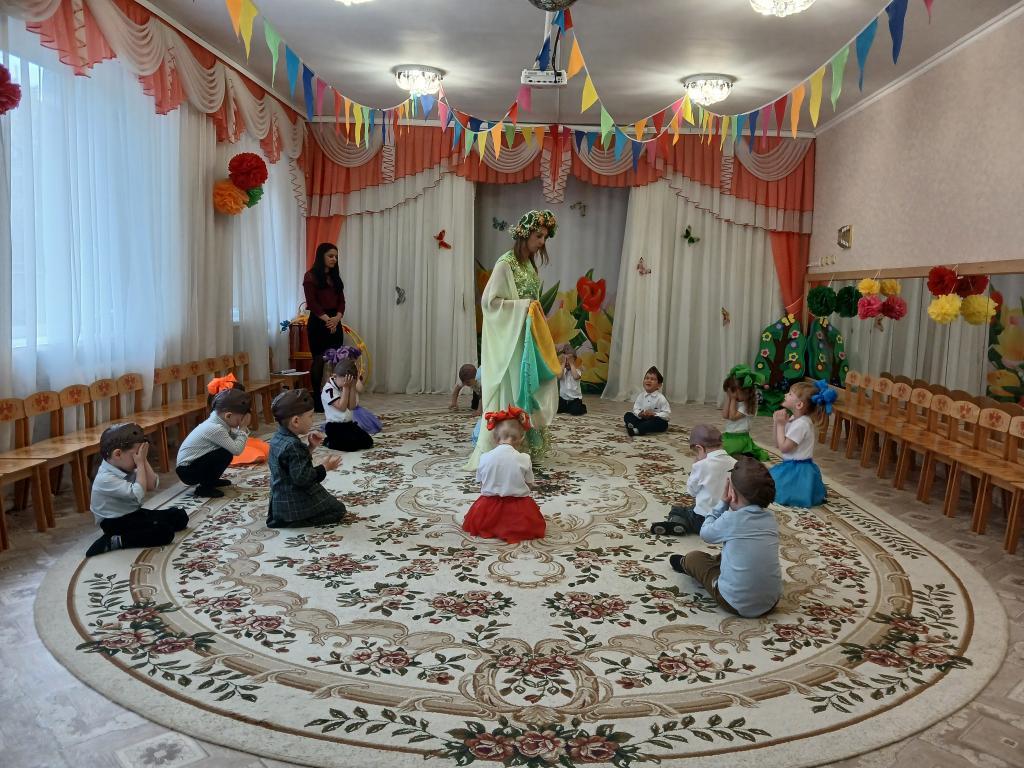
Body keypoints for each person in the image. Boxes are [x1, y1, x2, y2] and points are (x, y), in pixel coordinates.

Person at [466, 210, 560, 469]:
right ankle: (503, 443)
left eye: (545, 237)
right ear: (525, 235)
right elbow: (489, 302)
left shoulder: (529, 264)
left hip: (526, 338)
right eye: (538, 236)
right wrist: (522, 306)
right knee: (512, 386)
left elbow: (532, 301)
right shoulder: (505, 263)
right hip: (510, 342)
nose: (542, 241)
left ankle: (522, 442)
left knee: (529, 385)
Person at [670, 456, 781, 618]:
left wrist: (722, 504)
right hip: (771, 602)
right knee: (735, 553)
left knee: (694, 558)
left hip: (735, 603)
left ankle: (683, 563)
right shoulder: (771, 519)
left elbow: (705, 533)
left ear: (732, 494)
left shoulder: (732, 519)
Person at [85, 423, 188, 557]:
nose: (138, 458)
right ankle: (115, 540)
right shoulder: (105, 478)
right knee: (164, 532)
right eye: (136, 455)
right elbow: (138, 494)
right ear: (117, 454)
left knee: (179, 516)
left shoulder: (123, 465)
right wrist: (139, 463)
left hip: (132, 513)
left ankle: (135, 531)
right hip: (114, 522)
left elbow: (151, 484)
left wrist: (143, 460)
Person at [463, 406, 545, 544]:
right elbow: (529, 484)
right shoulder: (524, 458)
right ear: (521, 439)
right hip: (518, 507)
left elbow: (481, 483)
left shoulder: (484, 457)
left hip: (488, 507)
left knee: (483, 517)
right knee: (529, 522)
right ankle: (511, 526)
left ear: (494, 438)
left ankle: (492, 526)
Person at [267, 389, 347, 528]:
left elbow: (292, 464)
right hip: (292, 500)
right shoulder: (293, 445)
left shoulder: (277, 438)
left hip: (280, 499)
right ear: (296, 421)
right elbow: (303, 479)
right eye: (310, 416)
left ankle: (285, 518)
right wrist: (324, 467)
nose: (312, 420)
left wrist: (311, 447)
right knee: (338, 510)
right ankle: (293, 521)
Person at [650, 424, 735, 536]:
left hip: (704, 520)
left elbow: (692, 491)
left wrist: (695, 465)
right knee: (694, 508)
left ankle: (680, 524)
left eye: (696, 453)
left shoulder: (701, 465)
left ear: (700, 448)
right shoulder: (736, 463)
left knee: (678, 510)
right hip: (728, 520)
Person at [176, 386, 252, 497]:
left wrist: (241, 430)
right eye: (240, 420)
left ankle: (211, 480)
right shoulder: (215, 428)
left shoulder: (218, 422)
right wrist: (243, 428)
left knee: (223, 452)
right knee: (224, 453)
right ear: (228, 415)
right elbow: (237, 450)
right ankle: (204, 489)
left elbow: (233, 435)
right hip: (187, 472)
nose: (240, 423)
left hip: (192, 467)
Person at [768, 380, 832, 508]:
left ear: (799, 405)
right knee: (767, 483)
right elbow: (777, 444)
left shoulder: (802, 424)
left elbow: (784, 448)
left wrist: (781, 426)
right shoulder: (794, 419)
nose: (785, 395)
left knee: (772, 489)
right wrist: (777, 423)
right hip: (791, 466)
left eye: (790, 394)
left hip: (798, 471)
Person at [303, 242, 346, 411]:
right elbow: (312, 302)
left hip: (335, 320)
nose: (334, 259)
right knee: (319, 360)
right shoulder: (310, 276)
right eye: (330, 256)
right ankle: (317, 399)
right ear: (321, 256)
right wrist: (328, 320)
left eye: (336, 256)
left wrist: (337, 318)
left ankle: (336, 395)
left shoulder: (335, 277)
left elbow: (342, 302)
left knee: (337, 360)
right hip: (319, 322)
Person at [321, 359, 374, 451]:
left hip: (348, 424)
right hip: (334, 426)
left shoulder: (346, 385)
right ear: (335, 376)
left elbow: (352, 406)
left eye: (349, 381)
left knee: (368, 442)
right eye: (344, 381)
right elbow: (342, 407)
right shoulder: (328, 389)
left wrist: (352, 387)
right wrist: (346, 388)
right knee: (350, 447)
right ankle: (329, 441)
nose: (346, 383)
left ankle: (342, 439)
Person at [721, 365, 771, 461]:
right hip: (729, 435)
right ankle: (742, 454)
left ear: (746, 391)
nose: (732, 396)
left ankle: (743, 454)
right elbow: (725, 415)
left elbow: (732, 417)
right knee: (714, 445)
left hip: (740, 438)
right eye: (730, 393)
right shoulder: (736, 400)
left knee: (722, 452)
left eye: (734, 393)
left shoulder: (748, 405)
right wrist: (729, 397)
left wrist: (733, 399)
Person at [328, 345, 382, 435]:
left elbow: (360, 389)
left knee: (357, 426)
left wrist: (357, 380)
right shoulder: (338, 379)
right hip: (343, 410)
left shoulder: (353, 379)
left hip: (355, 411)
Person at [624, 366, 670, 437]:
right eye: (647, 378)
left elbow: (666, 414)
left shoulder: (661, 398)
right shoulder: (641, 396)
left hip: (654, 420)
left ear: (659, 385)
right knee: (628, 415)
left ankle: (636, 430)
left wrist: (655, 414)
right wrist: (640, 414)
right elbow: (636, 408)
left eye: (652, 379)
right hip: (642, 419)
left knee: (663, 424)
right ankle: (635, 427)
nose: (649, 380)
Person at [556, 344, 586, 416]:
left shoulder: (577, 370)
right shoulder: (563, 370)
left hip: (574, 399)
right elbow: (559, 377)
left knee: (576, 412)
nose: (567, 362)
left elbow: (576, 377)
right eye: (565, 360)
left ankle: (582, 407)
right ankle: (567, 408)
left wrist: (571, 364)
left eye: (569, 360)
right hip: (563, 398)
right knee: (557, 410)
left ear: (574, 361)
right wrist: (563, 364)